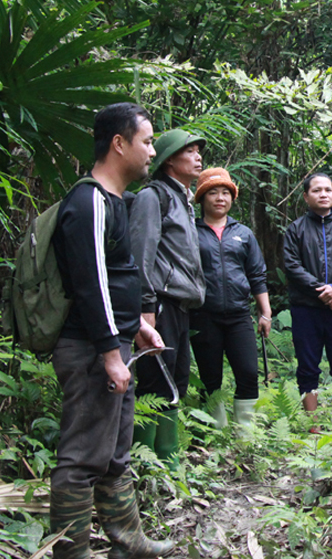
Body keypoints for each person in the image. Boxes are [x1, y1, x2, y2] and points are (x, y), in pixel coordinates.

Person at [50, 102, 173, 559]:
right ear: (119, 143)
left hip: (114, 344)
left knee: (115, 453)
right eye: (146, 141)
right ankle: (70, 552)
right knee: (82, 457)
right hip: (89, 349)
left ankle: (129, 541)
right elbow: (90, 284)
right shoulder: (88, 203)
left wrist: (137, 327)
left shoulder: (115, 203)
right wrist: (108, 352)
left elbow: (115, 277)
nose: (152, 151)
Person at [130, 128, 207, 470]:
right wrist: (146, 309)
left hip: (180, 305)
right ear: (169, 160)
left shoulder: (183, 201)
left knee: (173, 380)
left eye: (198, 151)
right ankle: (145, 464)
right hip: (159, 304)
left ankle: (168, 459)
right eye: (189, 151)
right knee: (153, 381)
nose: (198, 157)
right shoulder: (154, 196)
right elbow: (140, 255)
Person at [189, 167, 272, 428]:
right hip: (203, 315)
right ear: (202, 198)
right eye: (213, 193)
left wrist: (265, 313)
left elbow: (256, 274)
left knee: (248, 372)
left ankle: (245, 434)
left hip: (238, 315)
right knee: (210, 377)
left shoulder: (243, 234)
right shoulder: (191, 231)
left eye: (226, 192)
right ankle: (216, 431)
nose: (220, 198)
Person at [283, 173, 332, 423]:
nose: (323, 194)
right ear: (306, 196)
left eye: (328, 189)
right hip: (306, 309)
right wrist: (325, 292)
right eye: (316, 190)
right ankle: (312, 424)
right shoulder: (295, 229)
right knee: (307, 365)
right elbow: (292, 266)